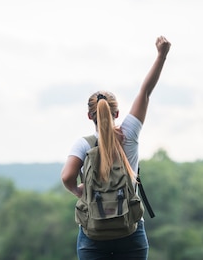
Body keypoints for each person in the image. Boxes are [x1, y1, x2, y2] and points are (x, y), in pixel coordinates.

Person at [61, 35, 171, 260]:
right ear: (117, 114)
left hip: (94, 235)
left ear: (90, 115)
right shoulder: (129, 133)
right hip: (130, 231)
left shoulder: (83, 144)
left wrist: (78, 191)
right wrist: (162, 55)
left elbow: (67, 177)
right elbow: (145, 92)